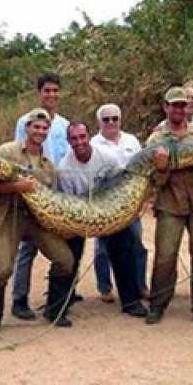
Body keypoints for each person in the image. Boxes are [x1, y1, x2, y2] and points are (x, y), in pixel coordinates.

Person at [0, 108, 75, 327]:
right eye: (36, 126)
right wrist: (16, 186)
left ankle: (54, 311)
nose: (40, 131)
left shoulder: (48, 165)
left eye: (44, 128)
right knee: (1, 269)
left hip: (37, 220)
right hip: (10, 215)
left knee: (65, 260)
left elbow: (54, 197)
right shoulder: (7, 152)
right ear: (26, 128)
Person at [59, 121, 148, 317]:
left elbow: (121, 183)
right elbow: (69, 202)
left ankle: (131, 301)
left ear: (89, 136)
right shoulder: (64, 168)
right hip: (80, 213)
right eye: (74, 139)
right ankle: (62, 301)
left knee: (125, 246)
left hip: (108, 209)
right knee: (69, 252)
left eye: (82, 137)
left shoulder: (107, 157)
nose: (79, 142)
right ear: (68, 141)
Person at [144, 86, 193, 327]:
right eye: (174, 105)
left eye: (182, 105)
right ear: (165, 107)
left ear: (188, 107)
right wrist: (162, 169)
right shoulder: (156, 139)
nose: (178, 109)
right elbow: (151, 179)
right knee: (165, 256)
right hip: (169, 204)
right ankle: (157, 304)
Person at [10, 73, 70, 320]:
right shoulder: (25, 120)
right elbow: (18, 154)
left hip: (56, 190)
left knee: (61, 246)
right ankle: (19, 298)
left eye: (55, 90)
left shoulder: (65, 124)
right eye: (47, 91)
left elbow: (66, 158)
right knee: (28, 248)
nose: (51, 95)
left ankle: (59, 298)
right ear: (39, 93)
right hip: (31, 190)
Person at [90, 103, 147, 303]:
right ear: (99, 122)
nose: (111, 122)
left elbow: (143, 169)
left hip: (131, 202)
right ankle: (105, 287)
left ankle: (140, 285)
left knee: (137, 243)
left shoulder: (131, 140)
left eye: (115, 118)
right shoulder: (93, 144)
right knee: (102, 247)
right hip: (105, 202)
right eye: (106, 119)